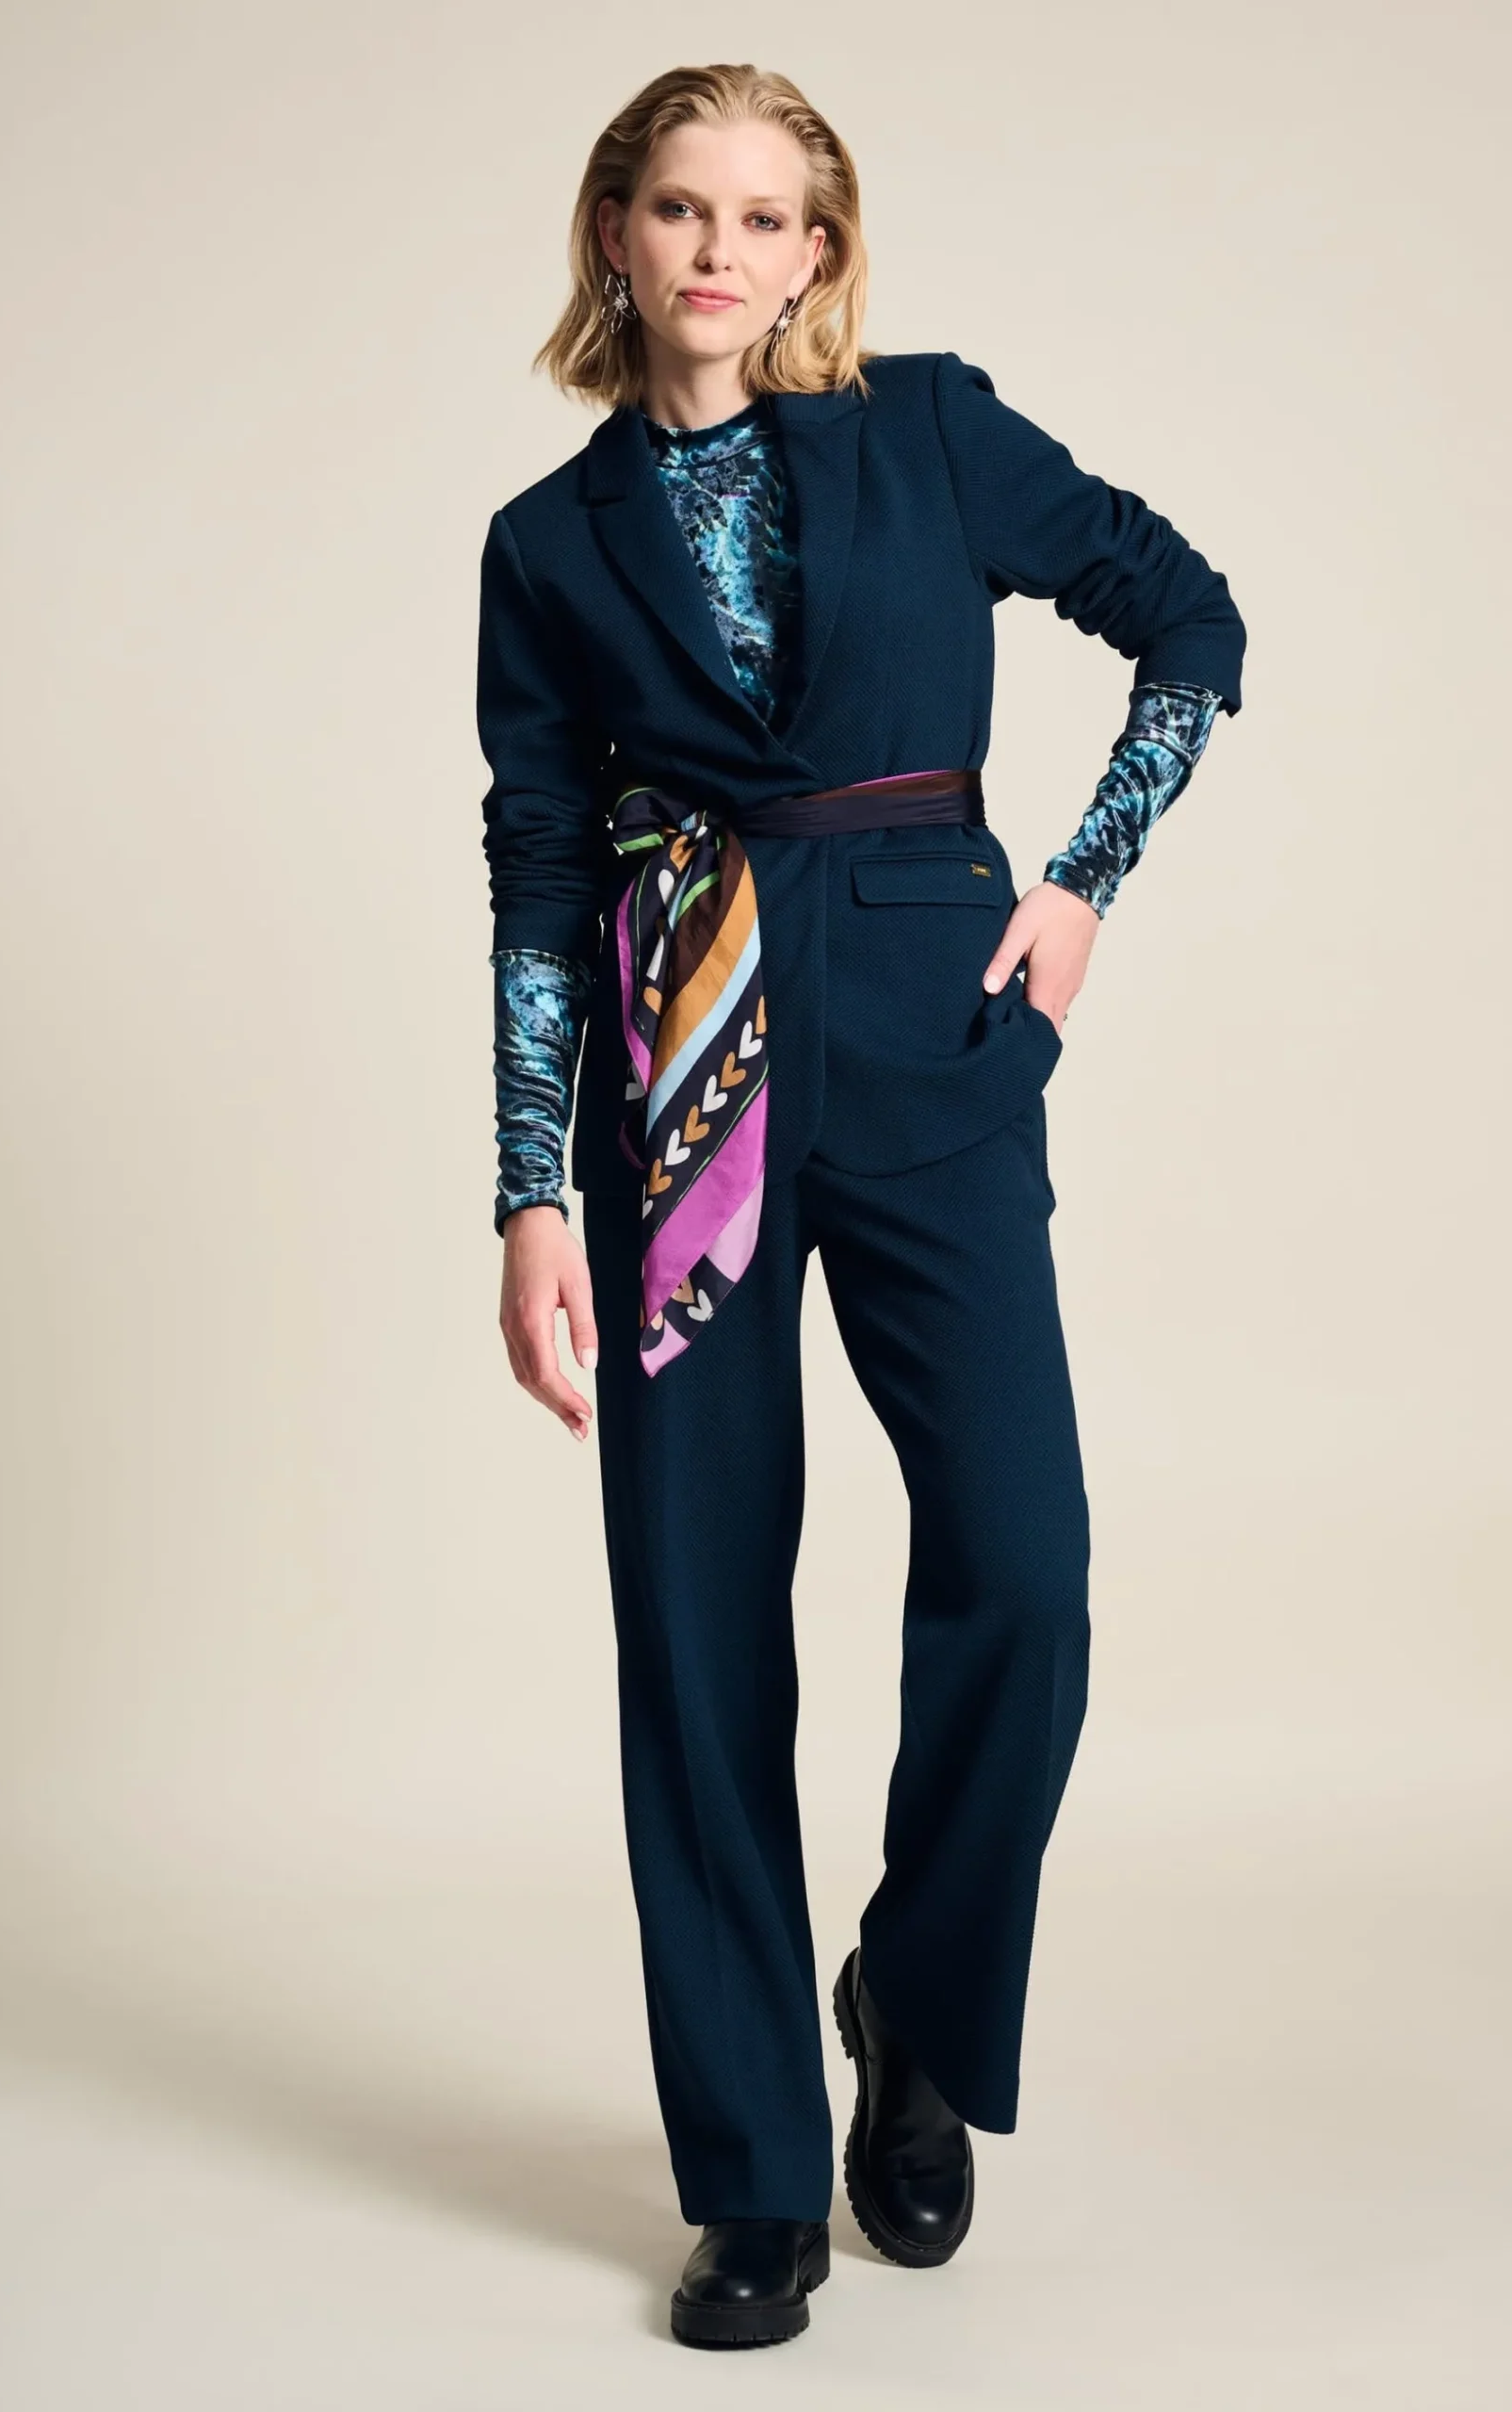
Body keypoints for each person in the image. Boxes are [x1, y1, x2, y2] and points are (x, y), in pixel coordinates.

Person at [476, 63, 1244, 2349]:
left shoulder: (927, 429)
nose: (718, 250)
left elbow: (1188, 617)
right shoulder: (546, 540)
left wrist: (1082, 882)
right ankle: (748, 2172)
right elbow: (537, 873)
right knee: (695, 1617)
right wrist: (528, 1187)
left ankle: (911, 1995)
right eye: (678, 207)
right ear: (614, 233)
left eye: (764, 215)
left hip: (928, 1033)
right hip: (680, 1085)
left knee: (1025, 1561)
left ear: (817, 252)